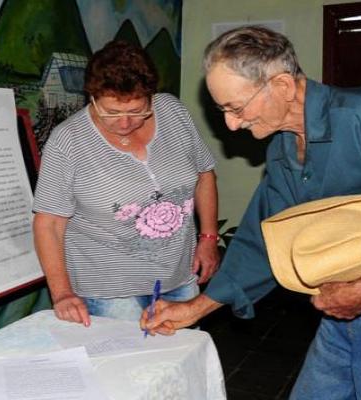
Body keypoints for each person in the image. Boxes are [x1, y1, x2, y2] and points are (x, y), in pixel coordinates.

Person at [141, 26, 361, 399]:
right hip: (346, 301)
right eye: (222, 110)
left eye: (236, 107)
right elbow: (264, 238)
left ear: (284, 87)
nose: (230, 123)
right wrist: (195, 308)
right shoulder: (284, 147)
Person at [32, 40, 220, 326]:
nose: (124, 123)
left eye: (136, 111)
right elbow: (48, 223)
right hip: (109, 292)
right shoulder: (68, 141)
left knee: (179, 363)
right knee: (129, 368)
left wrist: (208, 238)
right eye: (111, 112)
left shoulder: (173, 112)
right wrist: (62, 294)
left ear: (150, 96)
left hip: (178, 278)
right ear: (91, 97)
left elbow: (204, 175)